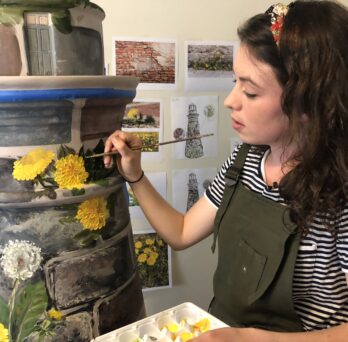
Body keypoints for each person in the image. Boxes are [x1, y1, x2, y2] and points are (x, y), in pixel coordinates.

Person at [104, 1, 348, 340]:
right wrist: (135, 175)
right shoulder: (245, 161)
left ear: (306, 101)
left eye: (250, 91)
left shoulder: (341, 194)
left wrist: (256, 339)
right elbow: (182, 232)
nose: (230, 101)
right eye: (235, 82)